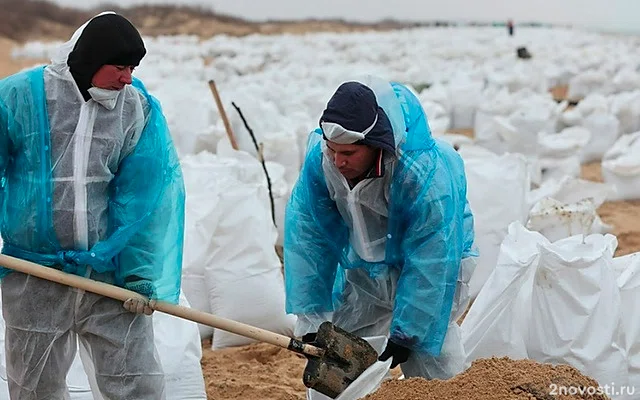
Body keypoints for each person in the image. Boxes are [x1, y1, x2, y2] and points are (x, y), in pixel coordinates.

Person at [0, 12, 185, 399]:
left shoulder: (136, 108)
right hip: (35, 274)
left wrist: (139, 271)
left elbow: (147, 196)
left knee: (138, 383)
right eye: (119, 67)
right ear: (89, 61)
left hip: (108, 276)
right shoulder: (19, 97)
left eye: (132, 68)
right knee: (35, 387)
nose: (127, 78)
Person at [283, 76, 477, 379]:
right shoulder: (321, 163)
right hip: (367, 271)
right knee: (338, 355)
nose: (338, 161)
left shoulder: (421, 176)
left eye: (348, 154)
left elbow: (432, 256)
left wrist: (408, 333)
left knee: (429, 357)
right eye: (333, 150)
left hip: (437, 268)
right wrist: (312, 319)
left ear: (377, 145)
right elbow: (310, 237)